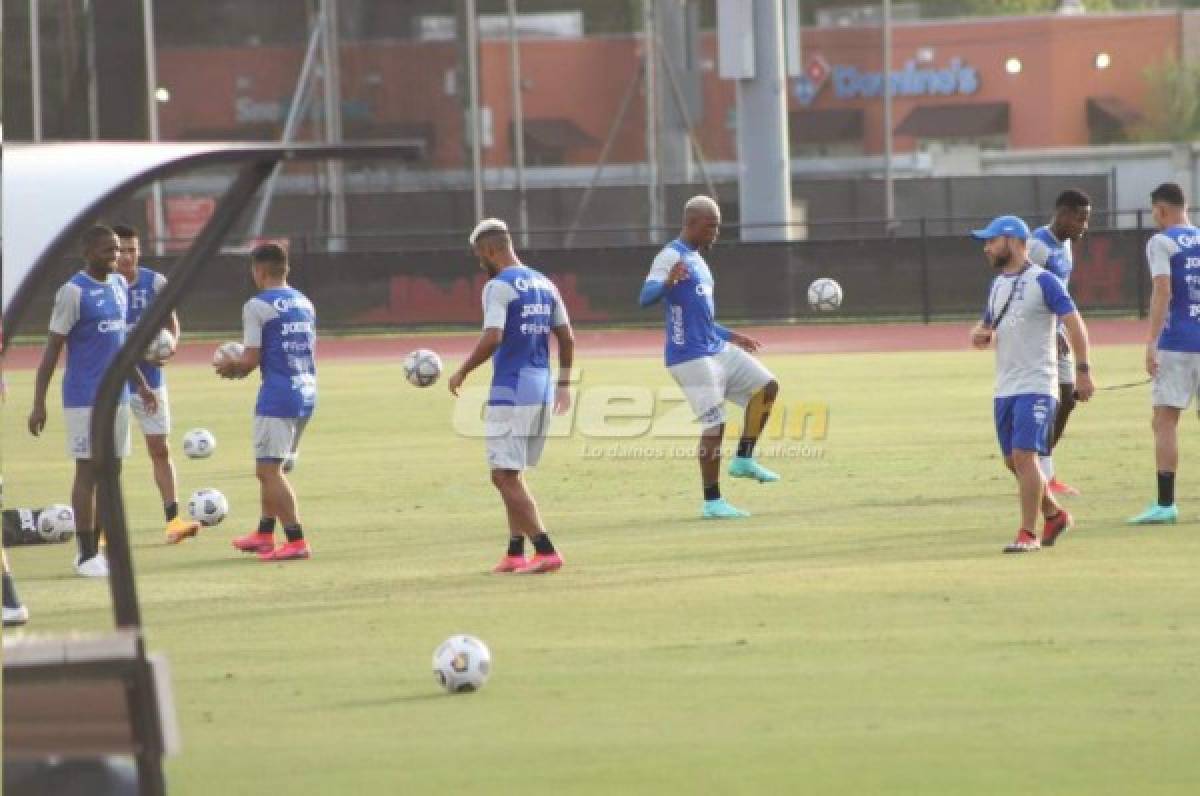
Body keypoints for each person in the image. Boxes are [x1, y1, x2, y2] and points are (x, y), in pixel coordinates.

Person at [28, 225, 159, 577]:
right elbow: (52, 350)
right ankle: (85, 554)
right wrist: (39, 402)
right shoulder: (72, 292)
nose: (115, 256)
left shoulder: (119, 286)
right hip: (85, 397)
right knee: (88, 470)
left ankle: (97, 550)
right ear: (87, 253)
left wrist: (143, 386)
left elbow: (122, 346)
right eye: (107, 250)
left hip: (118, 396)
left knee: (112, 471)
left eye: (117, 249)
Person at [639, 195, 780, 519]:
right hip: (688, 356)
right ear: (691, 223)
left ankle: (744, 459)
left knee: (768, 388)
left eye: (717, 226)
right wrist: (667, 283)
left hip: (715, 348)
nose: (715, 232)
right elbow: (644, 297)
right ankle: (712, 502)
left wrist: (732, 336)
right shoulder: (670, 256)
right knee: (714, 425)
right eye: (710, 226)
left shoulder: (699, 260)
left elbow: (701, 318)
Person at [448, 218, 573, 574]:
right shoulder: (544, 282)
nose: (479, 263)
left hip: (512, 389)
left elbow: (493, 336)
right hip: (541, 387)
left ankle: (545, 550)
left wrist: (463, 370)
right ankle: (515, 552)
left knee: (503, 477)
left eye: (479, 256)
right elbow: (567, 337)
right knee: (511, 473)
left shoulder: (499, 286)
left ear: (489, 251)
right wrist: (563, 384)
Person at [969, 215, 1094, 553]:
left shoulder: (1046, 281)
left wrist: (1083, 370)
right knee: (1013, 461)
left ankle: (1028, 534)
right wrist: (980, 335)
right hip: (1005, 386)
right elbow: (987, 326)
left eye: (992, 240)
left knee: (1025, 456)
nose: (987, 247)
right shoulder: (997, 285)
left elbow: (1076, 325)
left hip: (1038, 383)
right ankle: (1054, 514)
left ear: (1011, 241)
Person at [216, 244, 316, 561]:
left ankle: (296, 541)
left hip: (278, 394)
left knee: (268, 471)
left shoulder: (257, 306)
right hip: (307, 389)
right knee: (271, 467)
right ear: (285, 269)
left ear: (258, 271)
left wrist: (230, 368)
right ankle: (263, 533)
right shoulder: (304, 302)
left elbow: (249, 361)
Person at [112, 224, 200, 544]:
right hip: (116, 386)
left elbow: (172, 321)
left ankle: (173, 520)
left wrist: (171, 345)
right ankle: (107, 530)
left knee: (160, 449)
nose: (127, 256)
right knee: (112, 459)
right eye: (121, 249)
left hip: (152, 379)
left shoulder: (155, 282)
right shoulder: (106, 286)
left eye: (132, 249)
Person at [1129, 183, 1200, 525]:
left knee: (1165, 419)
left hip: (1177, 342)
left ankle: (1166, 503)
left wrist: (1151, 340)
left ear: (1160, 210)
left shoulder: (1161, 242)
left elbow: (1163, 288)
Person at [1025, 190, 1092, 496]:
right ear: (1063, 214)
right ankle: (1034, 469)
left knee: (1067, 399)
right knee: (1049, 400)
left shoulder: (1065, 245)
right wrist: (1050, 332)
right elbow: (1026, 291)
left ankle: (1044, 473)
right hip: (1038, 335)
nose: (1084, 225)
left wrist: (1061, 329)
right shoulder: (1037, 245)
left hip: (1058, 333)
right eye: (1080, 218)